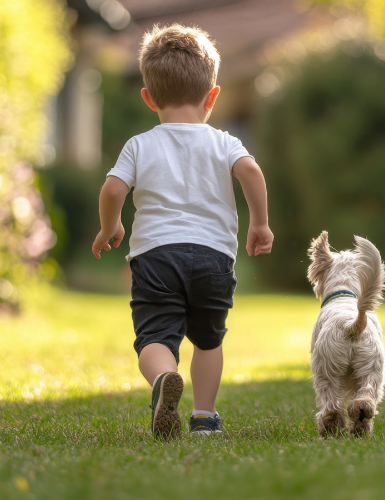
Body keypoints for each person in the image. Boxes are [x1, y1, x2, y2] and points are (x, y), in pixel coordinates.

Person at [91, 24, 273, 439]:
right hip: (213, 257)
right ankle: (205, 417)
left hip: (156, 256)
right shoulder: (224, 142)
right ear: (212, 97)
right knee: (208, 341)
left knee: (155, 335)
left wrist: (111, 226)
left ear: (149, 97)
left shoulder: (139, 144)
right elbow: (250, 170)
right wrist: (260, 223)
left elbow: (113, 187)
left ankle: (162, 380)